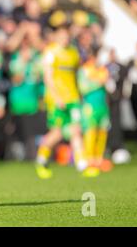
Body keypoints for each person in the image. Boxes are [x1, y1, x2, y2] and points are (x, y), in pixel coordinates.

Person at [35, 25, 87, 179]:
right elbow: (48, 77)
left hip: (73, 98)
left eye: (67, 36)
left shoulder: (73, 53)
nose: (65, 39)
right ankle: (41, 159)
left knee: (76, 130)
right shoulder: (50, 52)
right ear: (56, 37)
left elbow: (75, 75)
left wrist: (79, 92)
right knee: (57, 133)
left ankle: (82, 165)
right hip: (56, 99)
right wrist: (57, 97)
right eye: (62, 36)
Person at [78, 47, 112, 177]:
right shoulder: (84, 70)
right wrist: (98, 82)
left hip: (102, 106)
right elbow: (83, 88)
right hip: (90, 106)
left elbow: (109, 85)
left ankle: (98, 159)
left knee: (102, 132)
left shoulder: (102, 70)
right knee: (90, 132)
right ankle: (89, 161)